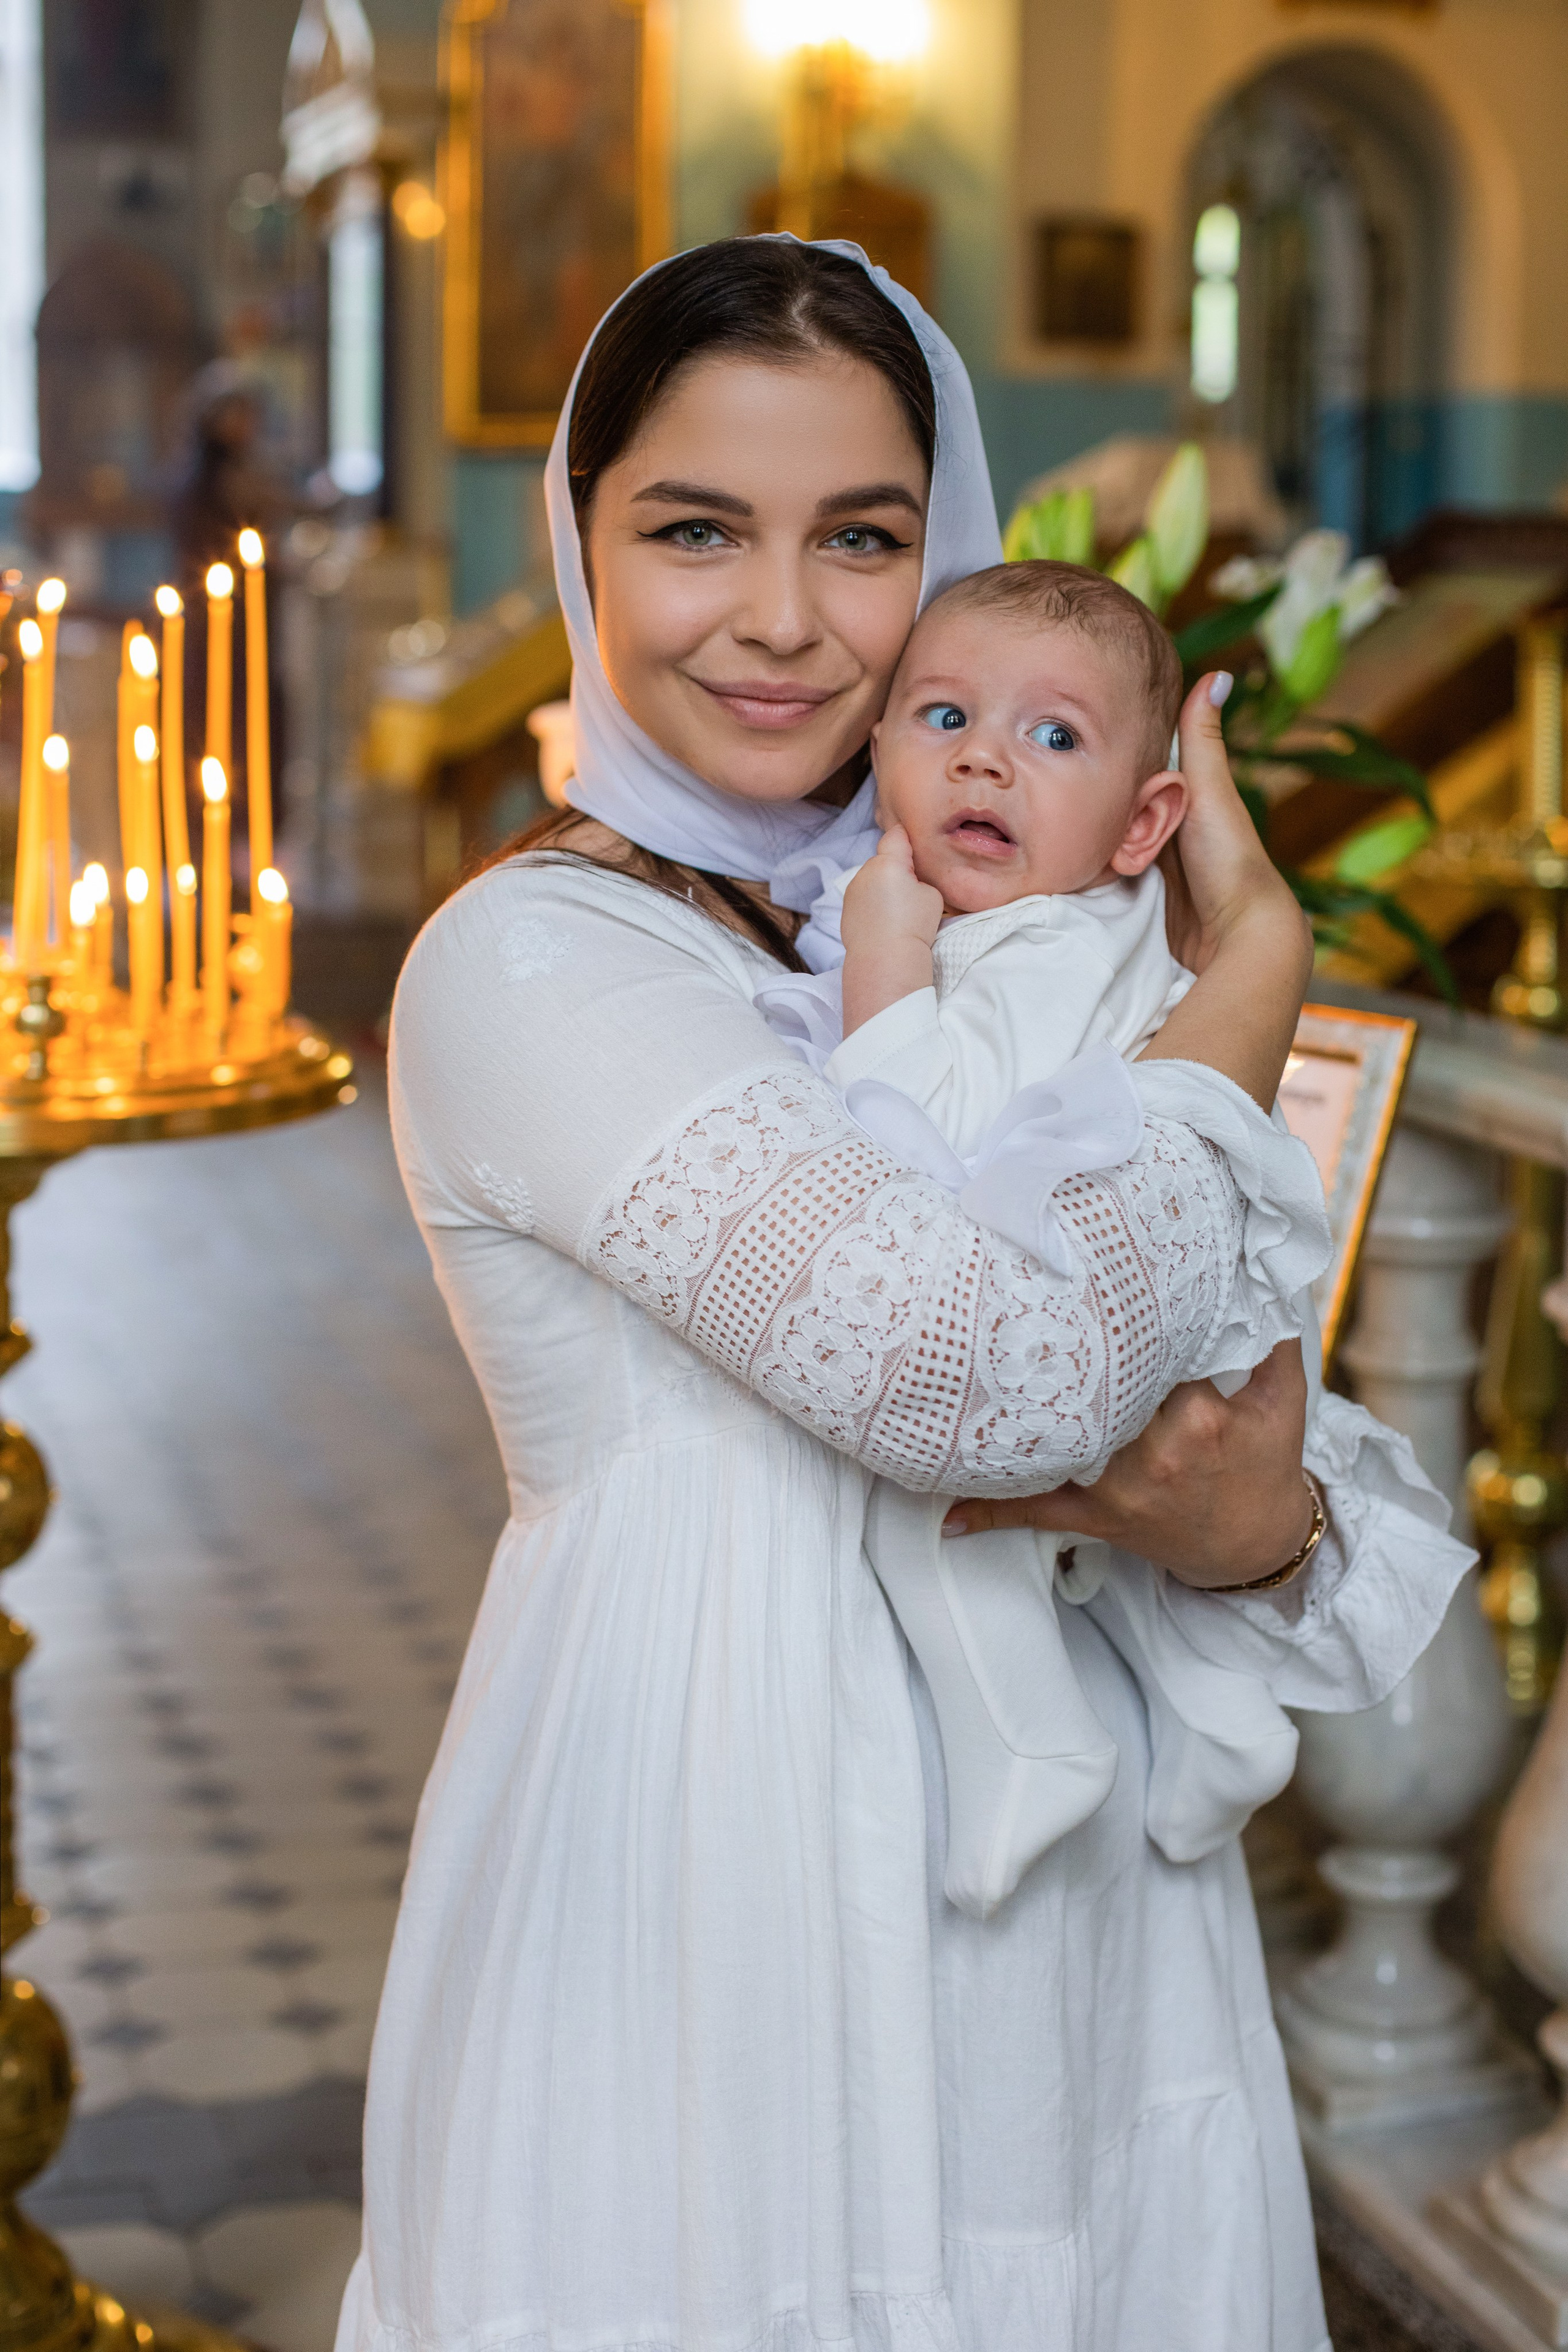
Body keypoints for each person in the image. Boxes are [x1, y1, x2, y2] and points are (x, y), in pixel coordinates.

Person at [337, 238, 1471, 2352]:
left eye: (860, 538)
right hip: (718, 1850)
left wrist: (1267, 1525)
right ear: (578, 551)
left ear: (939, 550)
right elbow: (991, 1379)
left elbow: (1287, 1433)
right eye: (693, 531)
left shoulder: (987, 924)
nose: (783, 620)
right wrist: (1243, 994)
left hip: (1078, 1926)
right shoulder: (539, 961)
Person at [753, 556, 1336, 1922]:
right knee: (1102, 1561)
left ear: (1145, 828)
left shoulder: (1039, 953)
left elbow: (923, 1148)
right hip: (1115, 1292)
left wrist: (885, 961)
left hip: (1060, 1309)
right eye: (943, 718)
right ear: (877, 742)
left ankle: (1033, 1748)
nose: (984, 767)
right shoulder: (1072, 918)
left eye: (1050, 736)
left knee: (933, 1523)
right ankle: (1221, 1732)